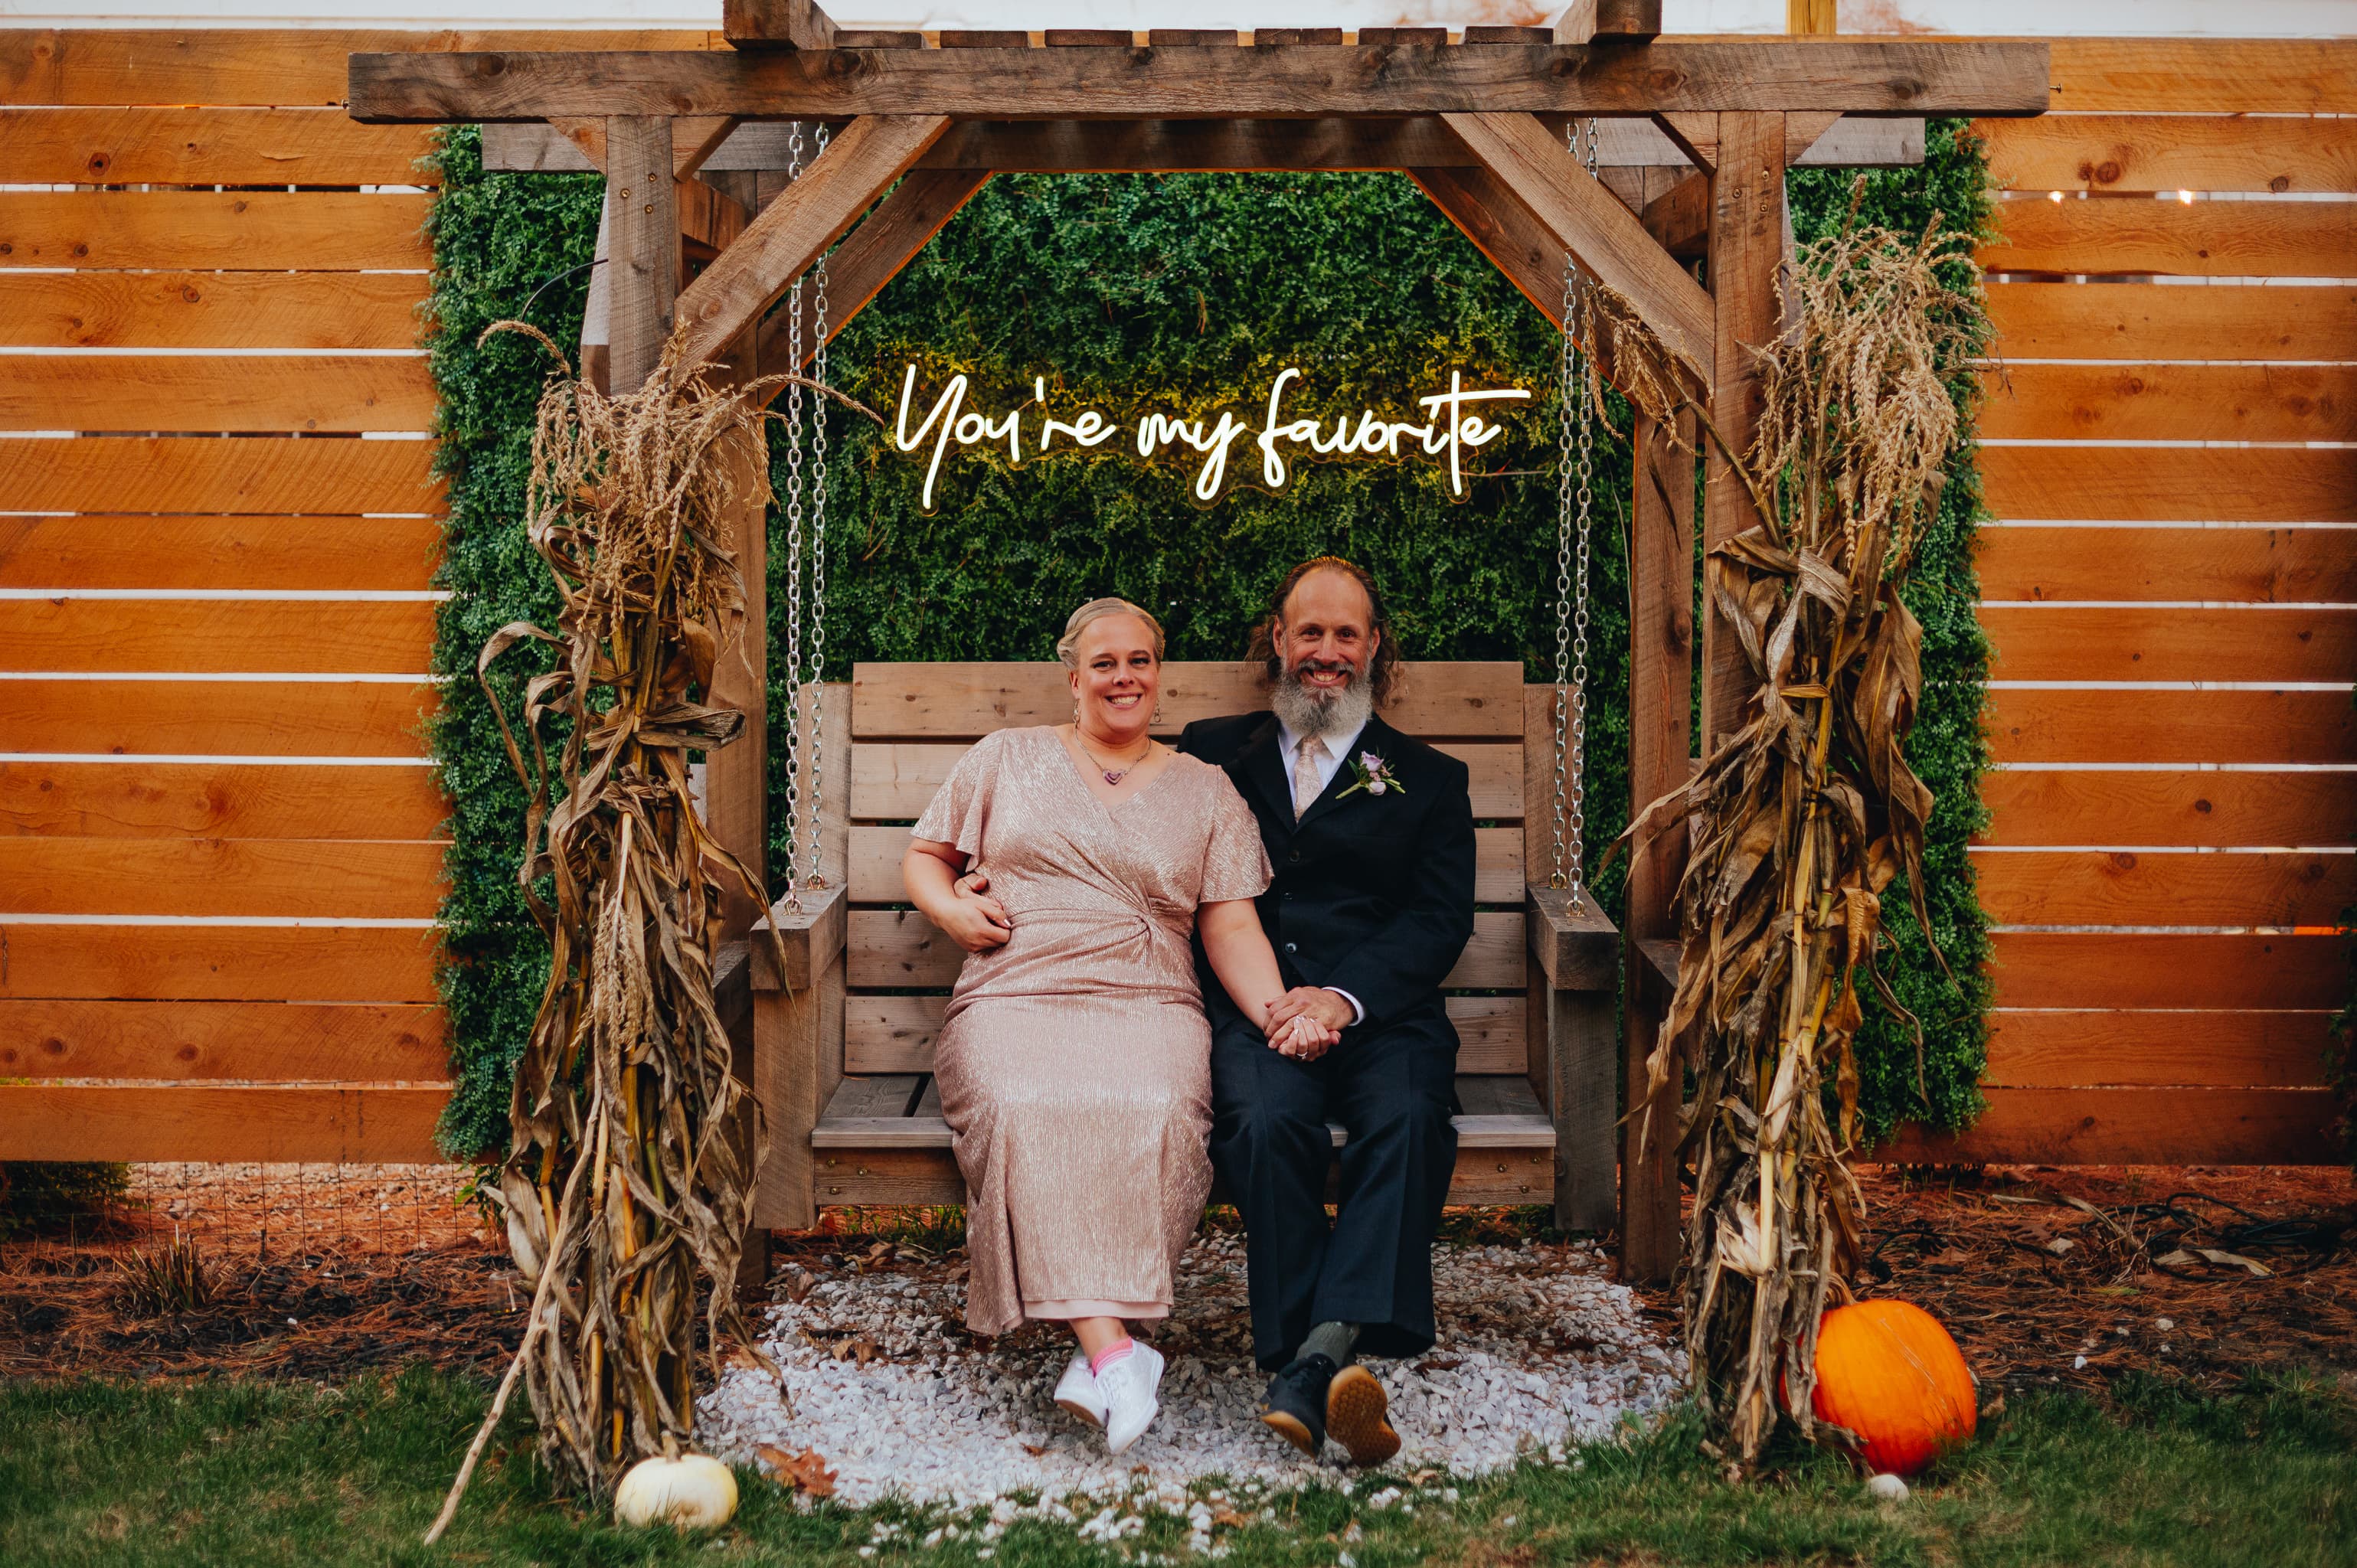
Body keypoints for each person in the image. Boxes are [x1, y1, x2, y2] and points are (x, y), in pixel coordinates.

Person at [901, 596, 1339, 1457]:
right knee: (1023, 1103)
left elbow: (1231, 926)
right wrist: (951, 908)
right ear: (1073, 679)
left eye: (1139, 660)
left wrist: (1278, 1010)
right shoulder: (1006, 758)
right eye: (1105, 663)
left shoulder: (1205, 790)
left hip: (1146, 994)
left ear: (1158, 675)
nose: (1124, 676)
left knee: (1160, 1106)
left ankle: (1106, 1353)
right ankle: (1113, 1347)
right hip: (1015, 990)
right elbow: (926, 854)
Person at [1177, 557, 1476, 1467]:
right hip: (1257, 1005)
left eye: (1347, 634)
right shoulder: (1207, 752)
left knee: (1412, 1114)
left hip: (1384, 1012)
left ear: (1375, 647)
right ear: (1278, 638)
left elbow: (1438, 918)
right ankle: (1322, 1353)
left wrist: (1342, 1000)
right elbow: (1129, 839)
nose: (1327, 653)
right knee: (1264, 1121)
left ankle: (1313, 1358)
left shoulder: (1428, 778)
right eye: (1311, 632)